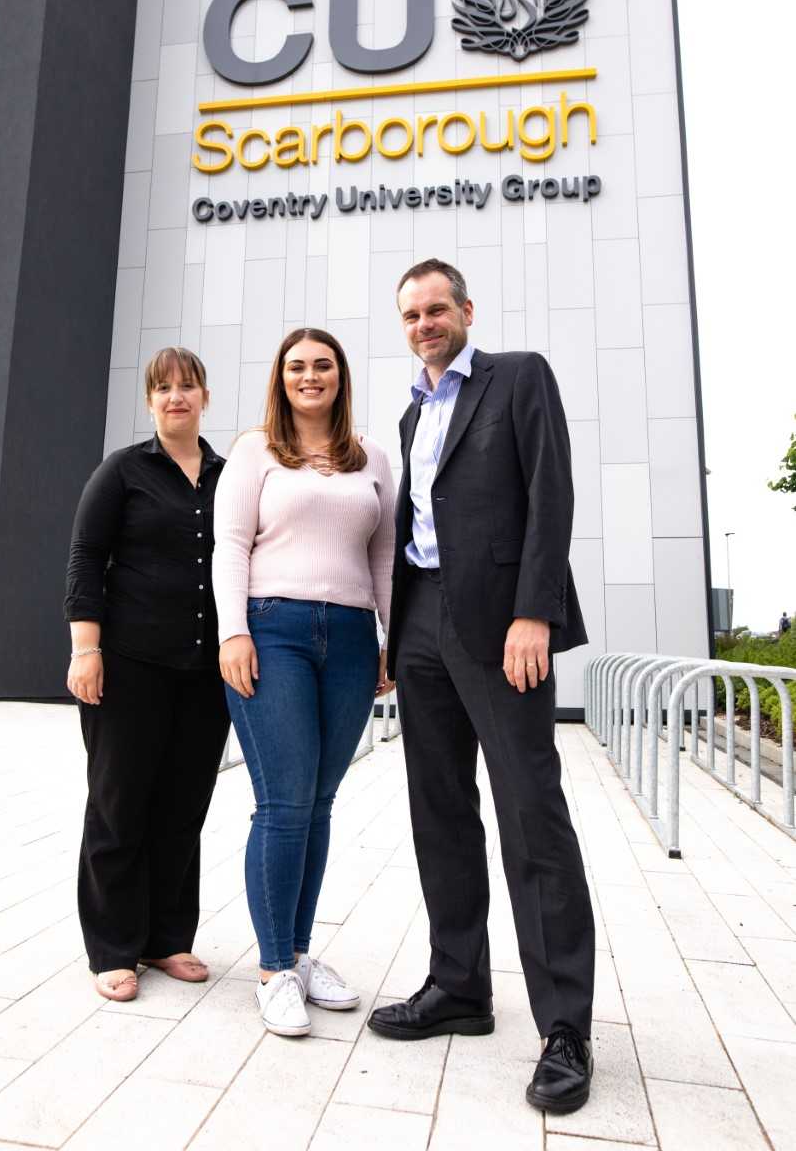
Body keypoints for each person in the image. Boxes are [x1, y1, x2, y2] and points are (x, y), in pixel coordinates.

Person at [367, 259, 596, 1116]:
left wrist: (533, 612)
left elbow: (550, 493)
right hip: (421, 621)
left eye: (436, 309)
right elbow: (415, 529)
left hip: (503, 629)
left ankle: (564, 1028)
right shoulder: (411, 409)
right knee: (440, 814)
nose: (424, 323)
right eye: (410, 315)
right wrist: (394, 635)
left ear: (466, 310)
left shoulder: (518, 376)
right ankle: (458, 984)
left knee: (531, 816)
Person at [213, 327, 395, 1038]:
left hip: (350, 638)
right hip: (273, 630)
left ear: (340, 376)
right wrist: (234, 632)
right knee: (284, 804)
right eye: (296, 366)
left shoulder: (371, 457)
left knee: (319, 803)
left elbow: (383, 551)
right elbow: (230, 545)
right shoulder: (255, 449)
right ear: (280, 378)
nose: (309, 376)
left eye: (322, 365)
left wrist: (390, 635)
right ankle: (271, 971)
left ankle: (297, 951)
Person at [64, 347, 229, 1002]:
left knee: (181, 808)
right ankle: (112, 947)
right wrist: (86, 649)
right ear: (150, 400)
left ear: (204, 396)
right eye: (162, 388)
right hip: (128, 666)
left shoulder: (228, 475)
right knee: (117, 806)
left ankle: (166, 940)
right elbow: (85, 558)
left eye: (186, 385)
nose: (175, 397)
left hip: (204, 672)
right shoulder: (122, 472)